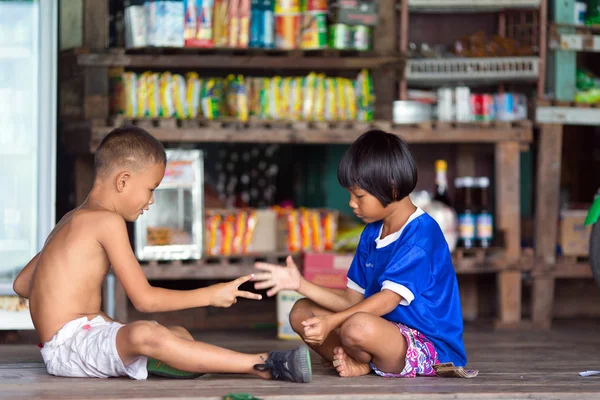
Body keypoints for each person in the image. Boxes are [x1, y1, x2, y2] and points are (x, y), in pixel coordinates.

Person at [12, 126, 311, 383]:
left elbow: (22, 284)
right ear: (123, 181)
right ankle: (263, 364)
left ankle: (170, 361)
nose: (151, 200)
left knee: (176, 335)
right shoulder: (107, 221)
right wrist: (210, 294)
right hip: (70, 347)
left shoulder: (71, 218)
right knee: (147, 335)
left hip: (81, 336)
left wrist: (74, 303)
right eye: (151, 188)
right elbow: (144, 300)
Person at [253, 130, 467, 378]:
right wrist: (299, 284)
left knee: (356, 327)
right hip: (383, 328)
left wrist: (332, 322)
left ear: (393, 187)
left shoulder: (421, 236)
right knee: (302, 312)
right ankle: (356, 363)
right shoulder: (372, 233)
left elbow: (386, 300)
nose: (352, 203)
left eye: (359, 195)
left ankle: (364, 363)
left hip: (429, 346)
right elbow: (353, 301)